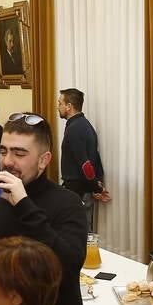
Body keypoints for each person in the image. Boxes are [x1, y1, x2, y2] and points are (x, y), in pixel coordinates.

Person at [0, 113, 87, 305]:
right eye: (3, 151)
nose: (7, 162)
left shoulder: (68, 203)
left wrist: (24, 204)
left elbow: (69, 267)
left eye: (19, 153)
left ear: (44, 160)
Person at [58, 88, 111, 232]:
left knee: (81, 232)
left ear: (69, 106)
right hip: (82, 189)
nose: (58, 107)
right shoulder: (82, 125)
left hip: (79, 191)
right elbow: (94, 158)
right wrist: (96, 184)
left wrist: (96, 187)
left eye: (60, 103)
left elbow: (86, 164)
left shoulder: (76, 128)